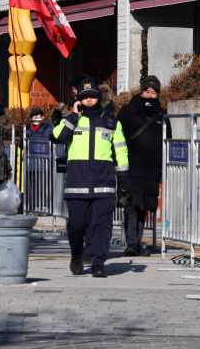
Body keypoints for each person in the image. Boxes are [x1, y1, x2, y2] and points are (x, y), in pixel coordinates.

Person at [53, 81, 129, 277]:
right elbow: (58, 137)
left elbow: (121, 152)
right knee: (77, 226)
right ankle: (77, 255)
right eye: (84, 96)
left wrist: (124, 181)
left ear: (99, 98)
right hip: (77, 184)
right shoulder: (71, 120)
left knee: (102, 226)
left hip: (104, 184)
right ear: (78, 100)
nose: (88, 99)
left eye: (92, 96)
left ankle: (98, 264)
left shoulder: (112, 123)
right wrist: (73, 116)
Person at [116, 75, 172, 256]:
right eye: (147, 91)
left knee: (145, 203)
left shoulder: (162, 115)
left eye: (154, 92)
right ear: (141, 91)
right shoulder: (128, 111)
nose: (149, 95)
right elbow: (116, 135)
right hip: (132, 164)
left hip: (152, 167)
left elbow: (168, 141)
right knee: (132, 203)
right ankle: (131, 243)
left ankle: (137, 244)